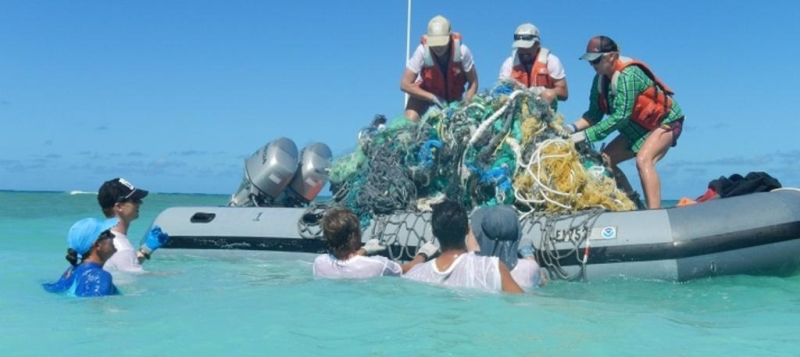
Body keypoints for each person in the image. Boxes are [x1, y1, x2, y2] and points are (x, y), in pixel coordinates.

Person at [564, 36, 685, 209]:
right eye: (590, 61)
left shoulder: (629, 75)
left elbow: (621, 116)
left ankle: (654, 213)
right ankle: (633, 203)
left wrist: (584, 136)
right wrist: (570, 129)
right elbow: (593, 115)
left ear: (612, 56)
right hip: (637, 128)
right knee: (605, 160)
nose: (593, 65)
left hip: (666, 123)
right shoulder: (599, 81)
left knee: (644, 159)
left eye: (596, 60)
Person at [403, 200, 523, 294]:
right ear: (467, 230)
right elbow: (521, 304)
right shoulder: (491, 268)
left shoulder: (414, 276)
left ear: (434, 232)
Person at [313, 207, 438, 279]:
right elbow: (406, 270)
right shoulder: (378, 265)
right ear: (355, 236)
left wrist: (365, 250)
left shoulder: (319, 263)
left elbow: (346, 263)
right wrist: (423, 254)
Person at [400, 15, 479, 121]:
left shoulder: (462, 51)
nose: (438, 47)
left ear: (450, 36)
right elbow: (404, 84)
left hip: (454, 99)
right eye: (434, 42)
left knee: (464, 124)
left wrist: (467, 104)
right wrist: (433, 98)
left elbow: (473, 81)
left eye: (441, 42)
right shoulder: (421, 51)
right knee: (410, 118)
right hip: (425, 94)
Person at [97, 178, 170, 273]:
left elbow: (123, 266)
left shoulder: (100, 236)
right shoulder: (122, 248)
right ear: (119, 207)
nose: (140, 203)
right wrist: (175, 275)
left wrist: (147, 248)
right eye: (135, 200)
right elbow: (133, 282)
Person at [467, 205, 546, 292]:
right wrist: (528, 254)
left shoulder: (475, 269)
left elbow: (472, 253)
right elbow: (542, 280)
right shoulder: (529, 268)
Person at [43, 217, 121, 297]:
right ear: (97, 245)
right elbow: (98, 306)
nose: (113, 236)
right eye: (108, 233)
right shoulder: (100, 276)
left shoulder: (71, 271)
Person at [498, 23, 568, 109]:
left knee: (548, 95)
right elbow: (500, 90)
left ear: (537, 44)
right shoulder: (509, 63)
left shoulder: (551, 61)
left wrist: (540, 90)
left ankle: (543, 121)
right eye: (520, 47)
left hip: (542, 108)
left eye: (527, 47)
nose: (524, 51)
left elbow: (564, 93)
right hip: (515, 107)